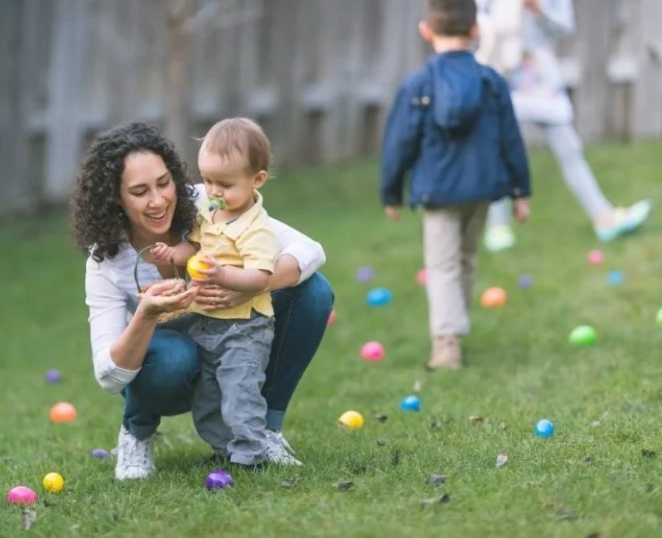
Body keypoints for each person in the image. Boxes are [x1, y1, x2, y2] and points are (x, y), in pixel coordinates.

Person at [69, 121, 333, 480]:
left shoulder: (210, 200)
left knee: (314, 292)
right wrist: (145, 315)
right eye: (139, 191)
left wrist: (248, 286)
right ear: (116, 197)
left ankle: (264, 430)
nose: (159, 199)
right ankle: (137, 431)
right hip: (170, 362)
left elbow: (309, 251)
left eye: (164, 183)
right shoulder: (107, 261)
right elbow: (108, 377)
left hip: (231, 331)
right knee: (177, 356)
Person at [379, 0, 531, 370]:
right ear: (476, 31)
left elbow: (399, 142)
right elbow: (512, 139)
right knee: (464, 259)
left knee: (443, 265)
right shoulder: (492, 82)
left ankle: (446, 343)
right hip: (482, 191)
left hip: (439, 193)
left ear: (426, 31)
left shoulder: (417, 84)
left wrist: (391, 191)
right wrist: (520, 191)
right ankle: (454, 330)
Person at [149, 117, 294, 468]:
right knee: (208, 398)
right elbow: (194, 247)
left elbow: (260, 277)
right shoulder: (208, 212)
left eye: (225, 184)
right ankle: (224, 449)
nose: (213, 191)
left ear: (256, 180)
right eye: (208, 180)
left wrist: (223, 274)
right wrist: (173, 255)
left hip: (245, 328)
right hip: (208, 325)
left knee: (240, 395)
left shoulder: (257, 228)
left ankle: (250, 456)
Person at [475, 0, 652, 252]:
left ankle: (604, 218)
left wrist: (538, 9)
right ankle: (498, 226)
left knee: (569, 148)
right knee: (497, 148)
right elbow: (476, 19)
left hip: (539, 76)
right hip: (500, 71)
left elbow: (565, 27)